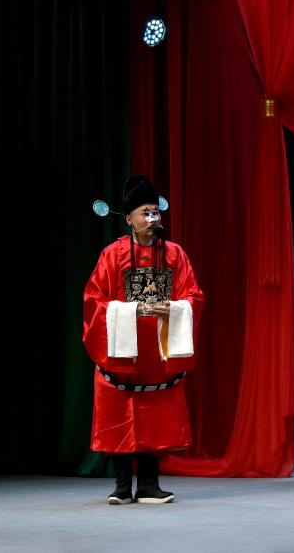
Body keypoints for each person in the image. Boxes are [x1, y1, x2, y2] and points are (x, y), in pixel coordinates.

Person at [83, 175, 203, 505]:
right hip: (125, 352)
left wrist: (176, 307)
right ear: (129, 219)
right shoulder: (112, 255)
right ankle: (122, 486)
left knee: (156, 417)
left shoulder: (175, 255)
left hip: (158, 350)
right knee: (120, 414)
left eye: (155, 212)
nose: (152, 218)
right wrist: (126, 311)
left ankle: (149, 485)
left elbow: (194, 295)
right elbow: (93, 299)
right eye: (145, 213)